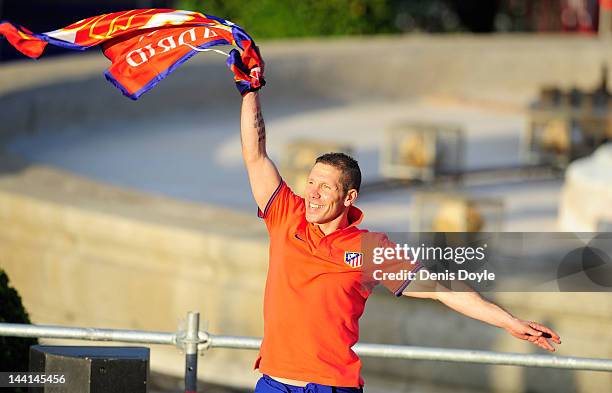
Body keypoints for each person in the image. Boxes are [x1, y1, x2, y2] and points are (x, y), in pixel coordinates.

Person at [230, 56, 561, 393]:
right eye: (311, 183)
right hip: (274, 383)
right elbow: (254, 153)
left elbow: (441, 290)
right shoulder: (287, 214)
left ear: (349, 197)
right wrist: (250, 90)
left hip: (330, 386)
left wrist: (508, 322)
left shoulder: (369, 250)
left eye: (325, 187)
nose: (313, 194)